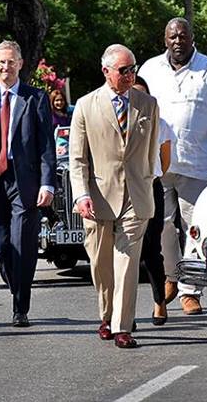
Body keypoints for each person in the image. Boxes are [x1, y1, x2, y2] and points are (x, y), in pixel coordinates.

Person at [138, 17, 207, 316]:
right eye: (172, 36)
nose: (177, 41)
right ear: (164, 39)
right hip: (158, 164)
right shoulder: (148, 70)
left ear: (191, 38)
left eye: (182, 36)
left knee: (194, 229)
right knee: (160, 228)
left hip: (198, 163)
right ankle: (173, 275)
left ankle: (190, 290)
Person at [69, 45, 159, 348]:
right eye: (123, 70)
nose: (129, 74)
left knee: (127, 261)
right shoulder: (85, 105)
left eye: (132, 68)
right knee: (101, 265)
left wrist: (147, 179)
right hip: (98, 197)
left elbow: (151, 151)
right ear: (106, 71)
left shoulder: (148, 104)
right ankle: (106, 316)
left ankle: (122, 326)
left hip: (136, 195)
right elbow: (78, 159)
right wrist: (81, 195)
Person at [0, 40, 56, 328]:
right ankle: (14, 283)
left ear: (20, 64)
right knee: (1, 245)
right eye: (1, 62)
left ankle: (21, 307)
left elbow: (46, 146)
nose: (6, 67)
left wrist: (48, 184)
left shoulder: (35, 98)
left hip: (25, 183)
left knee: (23, 244)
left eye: (11, 62)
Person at [132, 76, 172, 326]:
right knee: (126, 254)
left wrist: (152, 176)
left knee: (151, 250)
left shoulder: (161, 123)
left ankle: (160, 301)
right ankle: (125, 311)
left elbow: (165, 161)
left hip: (150, 187)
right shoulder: (119, 122)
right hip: (124, 191)